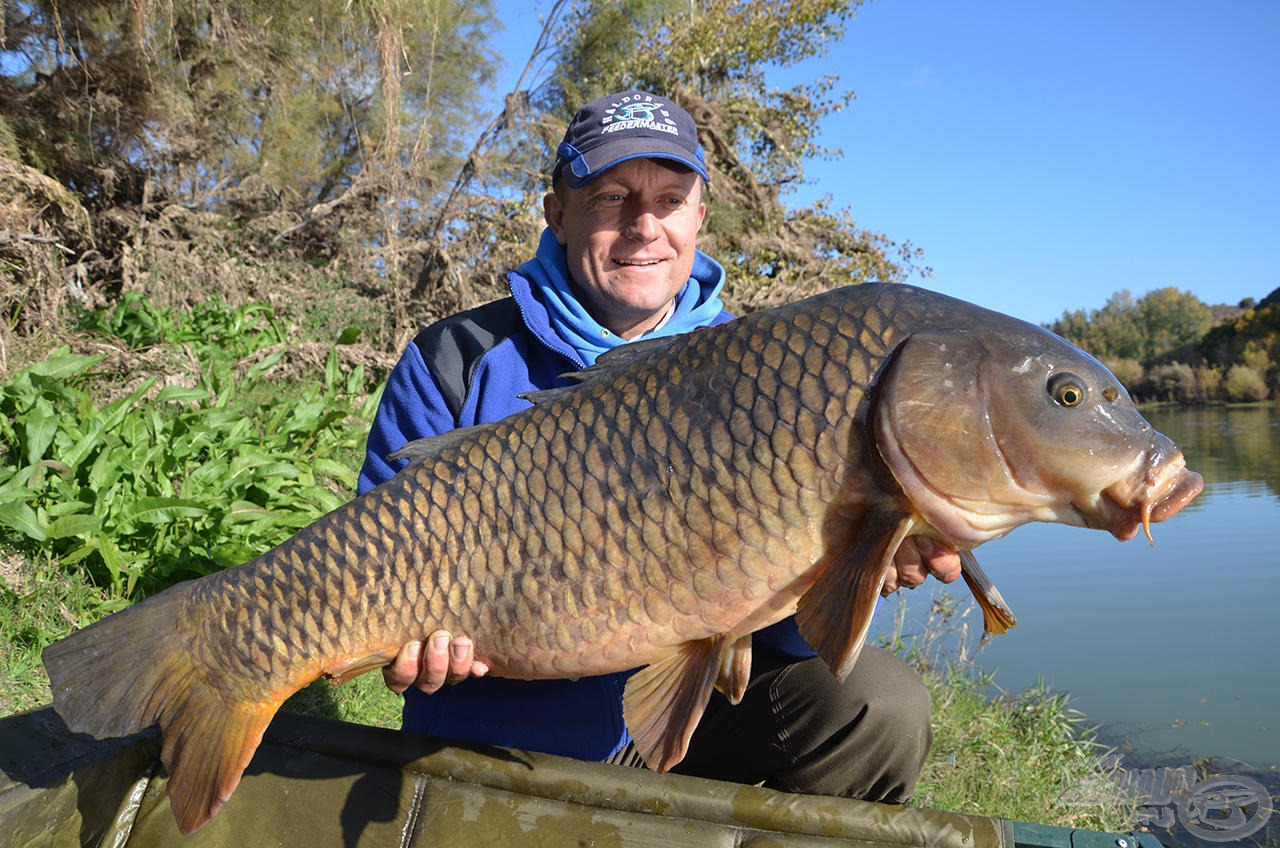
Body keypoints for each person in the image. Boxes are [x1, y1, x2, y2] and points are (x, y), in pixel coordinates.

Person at [358, 90, 961, 803]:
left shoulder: (771, 370)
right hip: (500, 720)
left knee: (878, 705)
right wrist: (409, 641)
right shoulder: (458, 357)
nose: (645, 228)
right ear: (558, 214)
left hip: (691, 712)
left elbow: (790, 640)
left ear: (699, 217)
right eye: (613, 198)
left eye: (670, 200)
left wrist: (854, 565)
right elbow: (374, 564)